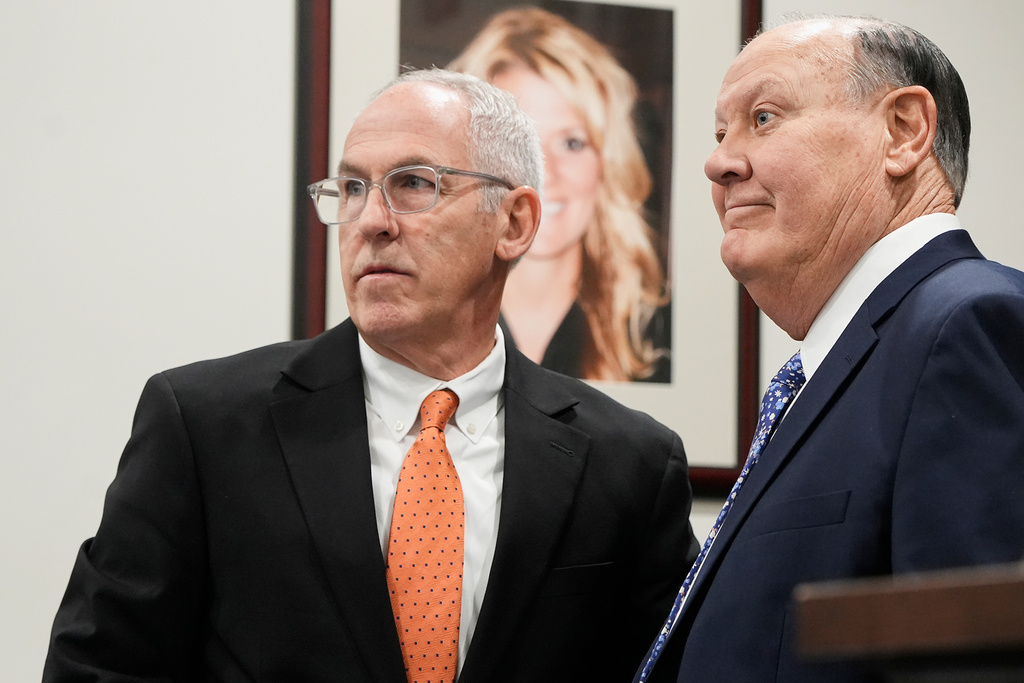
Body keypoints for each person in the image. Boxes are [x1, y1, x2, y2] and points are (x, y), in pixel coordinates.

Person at [43, 68, 699, 683]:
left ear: (515, 221)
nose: (371, 222)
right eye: (351, 188)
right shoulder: (202, 426)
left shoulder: (631, 462)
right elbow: (100, 668)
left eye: (414, 183)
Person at [635, 14, 1024, 683]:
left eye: (763, 117)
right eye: (721, 132)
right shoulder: (841, 367)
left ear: (902, 132)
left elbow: (975, 658)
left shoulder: (966, 324)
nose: (718, 161)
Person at [450, 7, 671, 382]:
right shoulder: (419, 325)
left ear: (608, 164)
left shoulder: (660, 336)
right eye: (521, 143)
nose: (546, 172)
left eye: (572, 142)